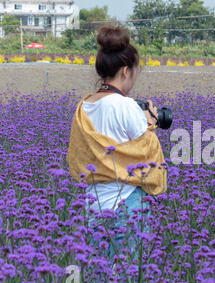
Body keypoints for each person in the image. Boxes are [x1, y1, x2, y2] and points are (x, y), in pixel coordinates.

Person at [66, 25, 167, 261]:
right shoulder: (126, 106)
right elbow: (148, 152)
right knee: (126, 279)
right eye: (135, 72)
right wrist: (150, 122)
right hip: (127, 203)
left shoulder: (85, 106)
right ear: (125, 71)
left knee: (97, 278)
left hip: (94, 204)